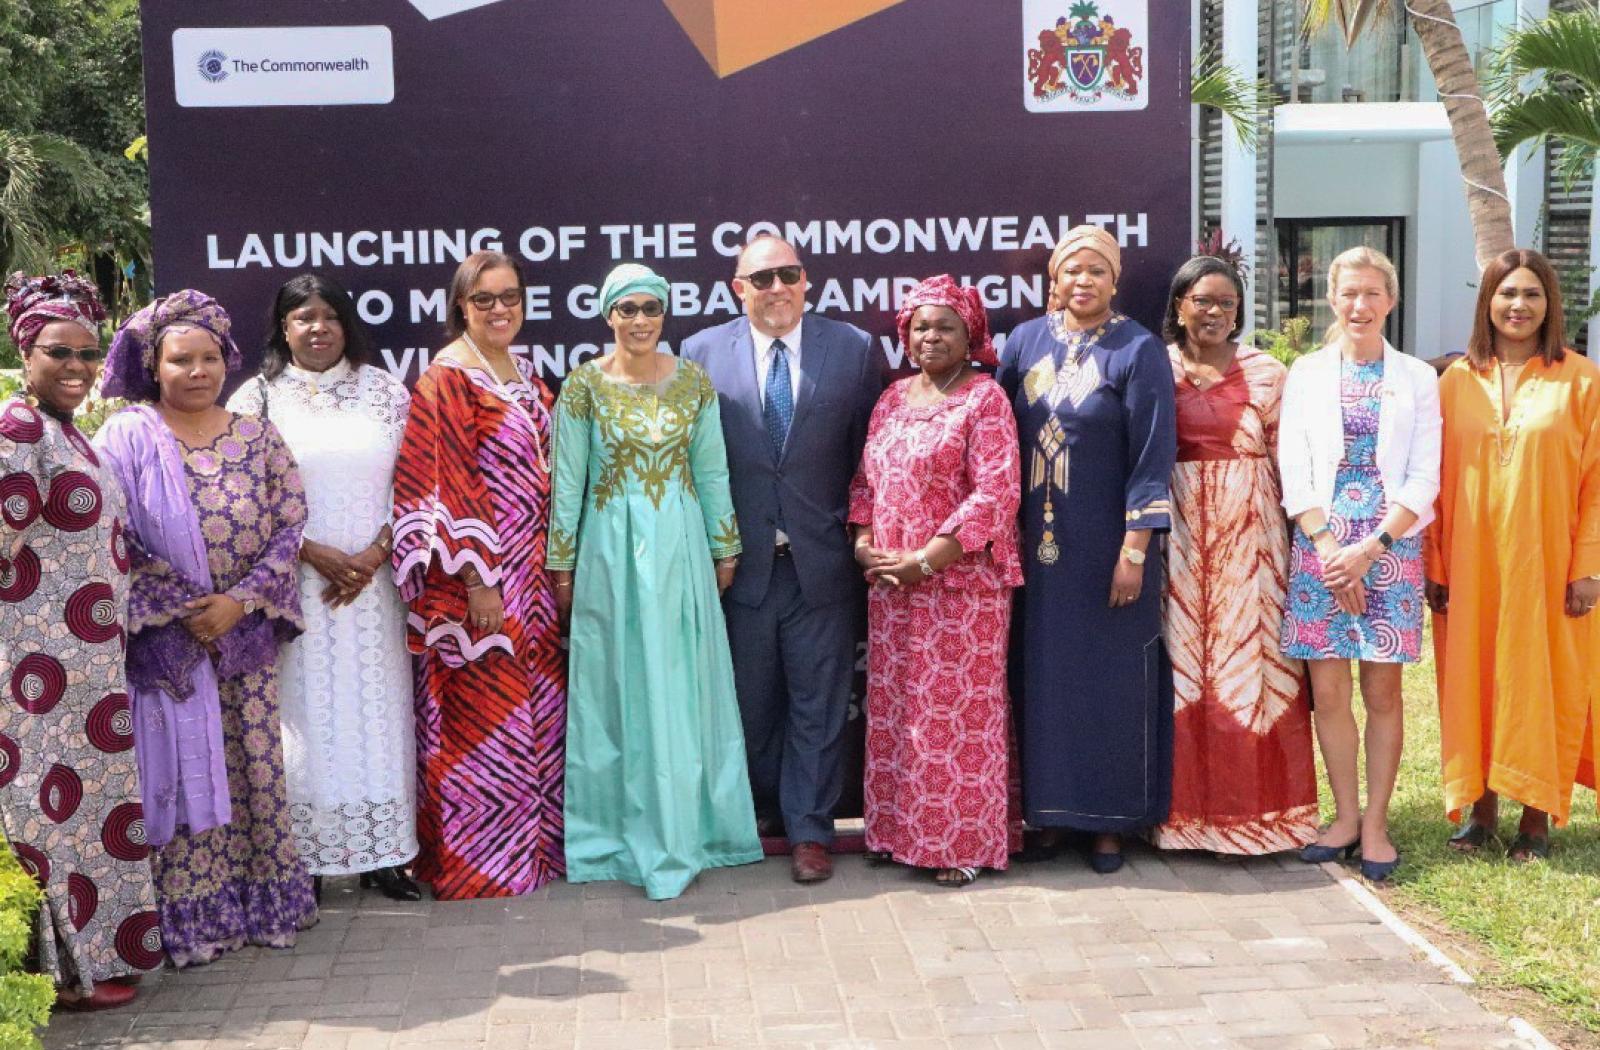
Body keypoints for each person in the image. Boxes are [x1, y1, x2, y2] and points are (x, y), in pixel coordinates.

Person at [95, 290, 316, 966]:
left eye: (210, 357)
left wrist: (241, 601)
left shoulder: (255, 432)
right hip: (170, 644)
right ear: (153, 367)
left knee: (253, 770)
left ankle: (261, 906)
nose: (198, 371)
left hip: (242, 639)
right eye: (181, 359)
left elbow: (290, 519)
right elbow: (114, 532)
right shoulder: (127, 436)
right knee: (180, 781)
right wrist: (193, 607)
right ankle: (193, 920)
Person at [550, 264, 761, 901]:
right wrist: (563, 562)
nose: (639, 320)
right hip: (611, 552)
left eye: (650, 308)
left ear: (664, 314)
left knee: (681, 683)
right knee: (619, 685)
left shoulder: (693, 381)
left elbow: (714, 470)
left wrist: (725, 545)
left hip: (680, 547)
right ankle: (613, 837)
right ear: (607, 314)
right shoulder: (584, 386)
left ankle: (698, 832)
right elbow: (569, 480)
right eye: (627, 309)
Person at [682, 235, 880, 884]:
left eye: (787, 274)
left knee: (819, 705)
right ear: (738, 287)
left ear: (806, 280)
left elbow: (866, 463)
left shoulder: (850, 349)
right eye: (761, 278)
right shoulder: (700, 353)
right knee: (751, 703)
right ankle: (764, 812)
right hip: (740, 569)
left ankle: (810, 831)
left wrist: (858, 537)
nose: (776, 288)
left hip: (819, 566)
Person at [227, 275, 419, 900]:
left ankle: (385, 855)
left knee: (376, 713)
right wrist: (309, 551)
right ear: (283, 329)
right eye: (303, 318)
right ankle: (304, 860)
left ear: (347, 325)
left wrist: (371, 554)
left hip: (374, 589)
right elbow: (242, 499)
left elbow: (415, 483)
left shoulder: (386, 392)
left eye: (330, 316)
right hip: (297, 590)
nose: (318, 328)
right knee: (305, 719)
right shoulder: (257, 400)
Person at [0, 272, 161, 1008]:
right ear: (24, 350)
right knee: (50, 814)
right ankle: (65, 973)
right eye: (58, 352)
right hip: (36, 668)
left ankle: (92, 959)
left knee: (89, 810)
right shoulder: (19, 428)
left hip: (87, 665)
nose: (75, 367)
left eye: (88, 355)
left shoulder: (68, 432)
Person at [997, 225, 1178, 874]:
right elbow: (996, 434)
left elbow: (1153, 458)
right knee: (1043, 678)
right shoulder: (1024, 342)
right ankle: (1049, 814)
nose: (1084, 281)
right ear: (1054, 278)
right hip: (1035, 550)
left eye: (1097, 271)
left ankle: (1108, 824)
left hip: (1107, 549)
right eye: (1073, 270)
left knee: (1108, 680)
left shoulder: (1138, 349)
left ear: (1115, 279)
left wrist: (1134, 550)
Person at [391, 251, 565, 900]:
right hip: (481, 580)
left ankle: (535, 853)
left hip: (534, 576)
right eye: (484, 299)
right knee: (481, 717)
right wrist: (475, 579)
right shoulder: (447, 378)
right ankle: (480, 864)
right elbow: (442, 480)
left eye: (510, 297)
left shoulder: (522, 370)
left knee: (538, 713)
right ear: (460, 306)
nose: (500, 309)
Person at [847, 275, 1022, 886]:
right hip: (892, 587)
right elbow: (866, 483)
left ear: (971, 332)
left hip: (960, 588)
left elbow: (996, 495)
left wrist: (927, 559)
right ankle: (896, 834)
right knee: (898, 709)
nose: (930, 336)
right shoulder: (891, 400)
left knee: (954, 716)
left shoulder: (984, 399)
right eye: (920, 325)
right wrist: (865, 543)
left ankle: (958, 846)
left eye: (945, 325)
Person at [1427, 248, 1600, 862]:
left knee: (1538, 678)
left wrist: (1588, 567)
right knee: (1473, 676)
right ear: (1488, 303)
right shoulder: (1455, 381)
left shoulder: (1581, 379)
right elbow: (1435, 481)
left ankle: (1535, 816)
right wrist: (1435, 563)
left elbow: (1596, 484)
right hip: (1471, 562)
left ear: (1549, 303)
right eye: (1507, 293)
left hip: (1547, 563)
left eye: (1531, 294)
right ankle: (1481, 810)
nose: (1518, 305)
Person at [1278, 247, 1440, 882]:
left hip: (1389, 546)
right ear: (1331, 298)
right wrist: (1327, 552)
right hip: (1320, 545)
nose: (1359, 305)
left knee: (1382, 690)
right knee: (1329, 691)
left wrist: (1371, 550)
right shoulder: (1308, 373)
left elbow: (1426, 475)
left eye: (1372, 293)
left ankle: (1376, 822)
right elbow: (1294, 468)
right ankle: (1343, 816)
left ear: (1390, 301)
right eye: (1348, 293)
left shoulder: (1417, 378)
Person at [1151, 257, 1319, 856]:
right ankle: (1181, 819)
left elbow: (1289, 465)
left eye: (1226, 302)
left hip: (1254, 543)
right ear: (1179, 306)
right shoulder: (1155, 368)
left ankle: (1264, 818)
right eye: (1202, 301)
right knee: (1182, 673)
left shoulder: (1269, 372)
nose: (1214, 312)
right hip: (1175, 540)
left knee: (1253, 670)